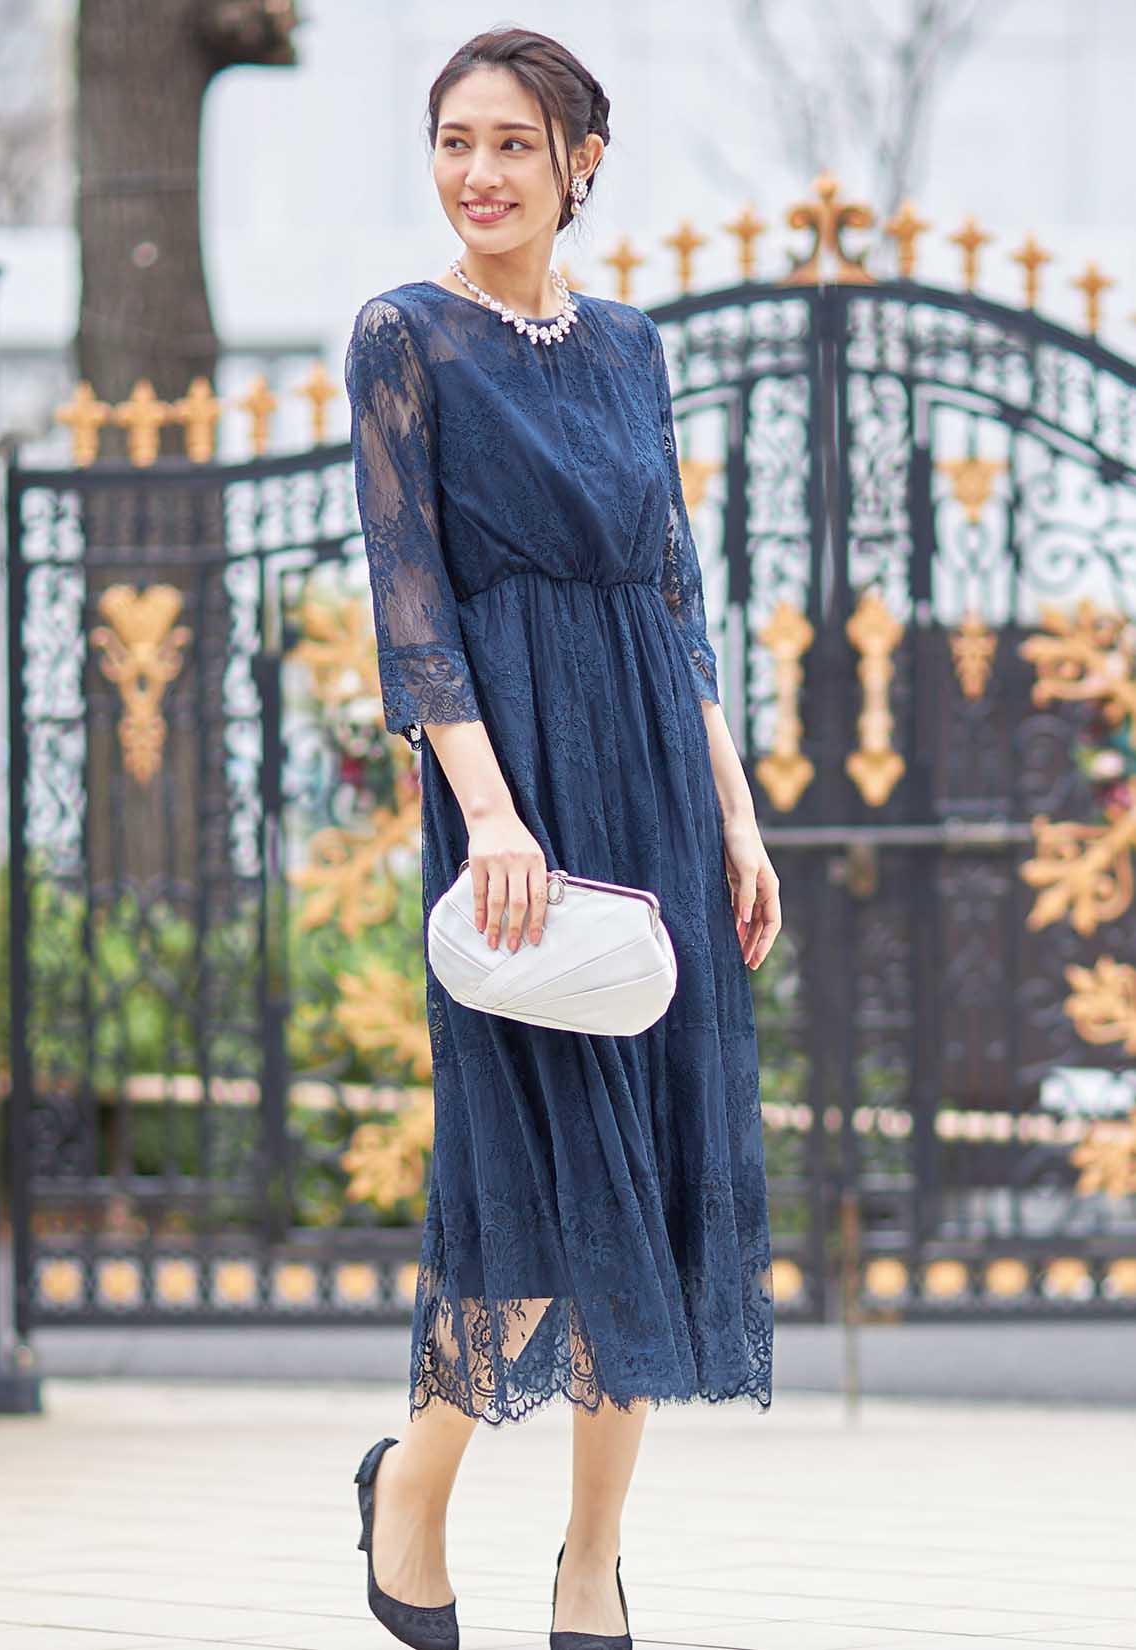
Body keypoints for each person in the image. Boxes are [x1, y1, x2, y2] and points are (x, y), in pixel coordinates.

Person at [344, 26, 782, 1650]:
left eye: (513, 143)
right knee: (527, 1175)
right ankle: (412, 1485)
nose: (478, 173)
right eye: (454, 140)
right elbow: (411, 604)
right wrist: (488, 813)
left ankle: (590, 1555)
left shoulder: (630, 348)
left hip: (654, 778)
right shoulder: (403, 336)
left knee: (650, 1175)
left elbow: (672, 595)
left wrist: (734, 811)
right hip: (507, 789)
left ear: (579, 162)